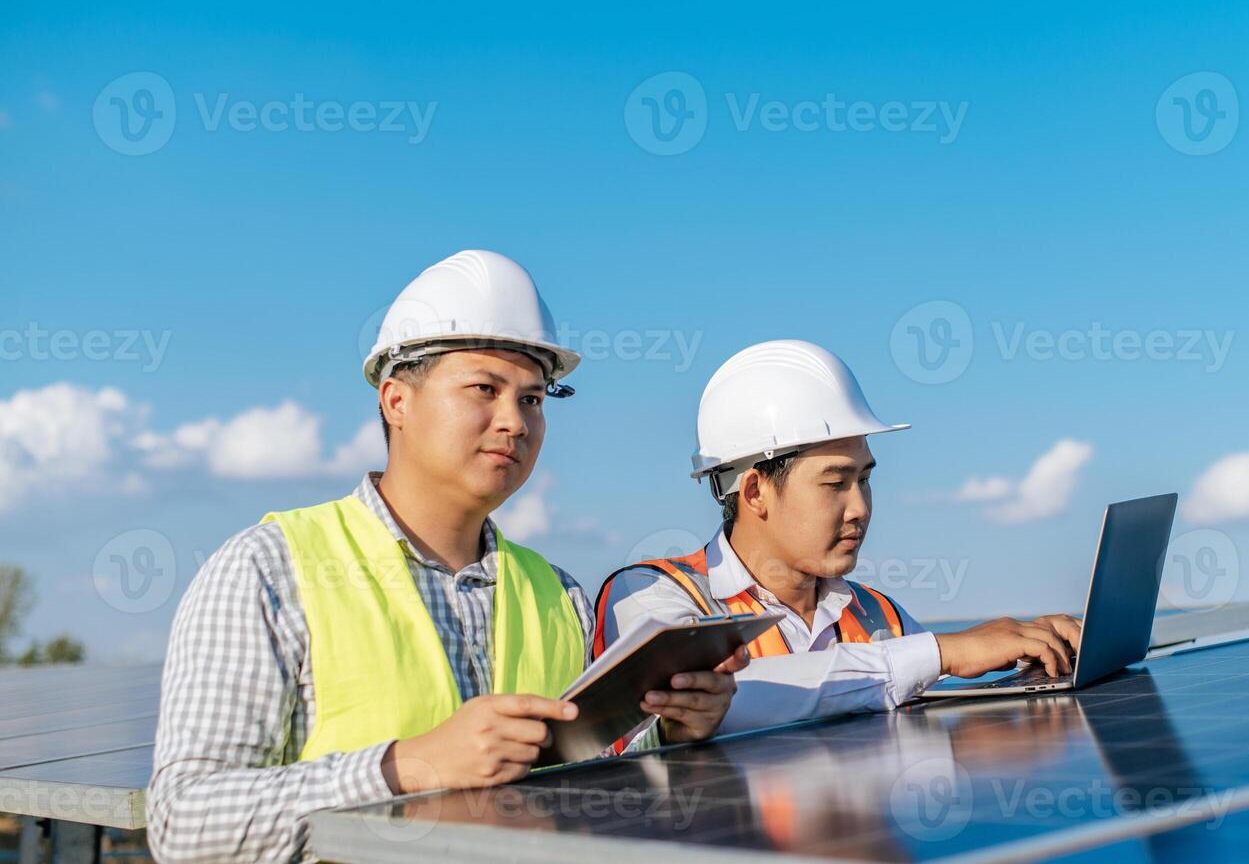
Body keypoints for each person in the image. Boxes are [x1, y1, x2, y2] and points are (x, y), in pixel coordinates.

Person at [147, 250, 744, 863]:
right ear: (396, 401)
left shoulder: (555, 591)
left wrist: (674, 729)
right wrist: (409, 765)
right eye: (485, 389)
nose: (514, 421)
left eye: (534, 400)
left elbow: (586, 790)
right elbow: (186, 824)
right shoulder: (266, 570)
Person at [595, 339, 1079, 734]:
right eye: (834, 483)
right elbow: (728, 696)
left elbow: (926, 674)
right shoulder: (649, 597)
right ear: (756, 491)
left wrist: (1032, 648)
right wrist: (942, 650)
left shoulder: (875, 614)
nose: (860, 507)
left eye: (865, 479)